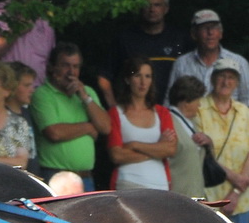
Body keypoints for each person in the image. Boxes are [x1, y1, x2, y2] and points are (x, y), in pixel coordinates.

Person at [29, 43, 109, 189]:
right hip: (54, 177)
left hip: (85, 178)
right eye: (65, 65)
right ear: (52, 67)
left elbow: (105, 127)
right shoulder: (42, 94)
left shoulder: (88, 91)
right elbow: (54, 133)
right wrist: (89, 126)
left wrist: (85, 97)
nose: (71, 72)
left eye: (76, 66)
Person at [101, 0, 188, 107]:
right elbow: (104, 77)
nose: (152, 10)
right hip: (133, 113)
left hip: (171, 112)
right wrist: (114, 108)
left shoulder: (179, 39)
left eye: (157, 5)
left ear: (166, 8)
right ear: (139, 7)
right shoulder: (125, 39)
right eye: (147, 5)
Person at [197, 60, 249, 223]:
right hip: (210, 195)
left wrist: (236, 192)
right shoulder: (199, 108)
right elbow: (202, 154)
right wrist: (236, 179)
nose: (226, 81)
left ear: (237, 82)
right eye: (222, 76)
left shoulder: (245, 113)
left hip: (242, 198)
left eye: (231, 77)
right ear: (213, 79)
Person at [106, 57, 177, 190]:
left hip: (160, 185)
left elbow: (170, 149)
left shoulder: (162, 113)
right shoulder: (116, 113)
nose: (143, 82)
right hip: (128, 182)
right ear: (127, 79)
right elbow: (116, 155)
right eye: (138, 76)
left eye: (148, 76)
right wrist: (157, 150)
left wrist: (134, 145)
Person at [167, 10, 249, 107]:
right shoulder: (181, 64)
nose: (210, 32)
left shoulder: (239, 62)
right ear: (194, 34)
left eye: (214, 28)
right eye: (204, 28)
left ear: (220, 33)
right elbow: (170, 102)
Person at [164, 74, 210, 199]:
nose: (199, 105)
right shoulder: (168, 121)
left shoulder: (192, 123)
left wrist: (208, 142)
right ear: (187, 101)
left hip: (194, 196)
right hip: (176, 197)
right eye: (198, 100)